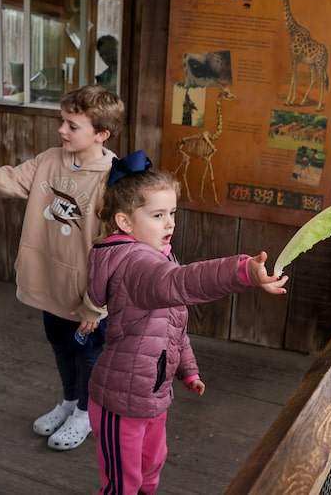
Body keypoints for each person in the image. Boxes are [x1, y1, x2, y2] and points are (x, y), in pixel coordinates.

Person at [86, 150, 288, 494]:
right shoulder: (135, 264)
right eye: (158, 214)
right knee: (122, 482)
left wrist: (187, 370)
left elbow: (172, 328)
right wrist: (241, 272)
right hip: (120, 400)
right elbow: (180, 284)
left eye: (172, 213)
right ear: (124, 222)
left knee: (151, 467)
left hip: (152, 393)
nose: (170, 223)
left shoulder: (158, 255)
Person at [0, 84, 123, 451]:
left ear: (102, 134)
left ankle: (87, 415)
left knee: (89, 355)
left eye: (73, 126)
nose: (62, 130)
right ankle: (69, 403)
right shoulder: (49, 159)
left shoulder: (115, 178)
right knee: (61, 347)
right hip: (50, 284)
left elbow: (116, 251)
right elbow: (7, 178)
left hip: (87, 296)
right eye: (63, 121)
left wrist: (97, 304)